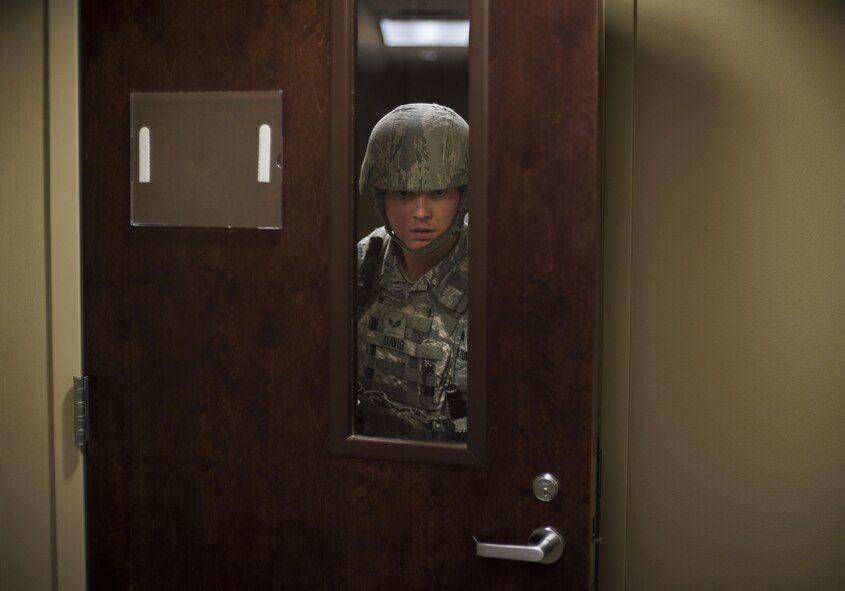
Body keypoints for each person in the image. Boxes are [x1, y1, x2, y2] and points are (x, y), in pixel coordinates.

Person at [356, 103, 469, 442]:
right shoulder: (363, 263)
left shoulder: (495, 272)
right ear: (381, 196)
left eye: (438, 192)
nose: (421, 212)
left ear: (462, 195)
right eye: (404, 193)